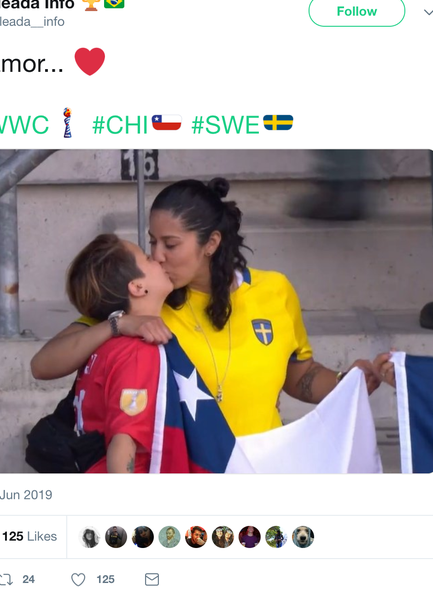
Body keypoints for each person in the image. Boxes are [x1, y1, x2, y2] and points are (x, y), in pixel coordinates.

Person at [32, 178, 386, 438]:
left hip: (262, 474)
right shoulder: (144, 303)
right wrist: (118, 325)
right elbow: (44, 364)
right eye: (153, 242)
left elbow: (298, 376)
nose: (157, 255)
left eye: (171, 244)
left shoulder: (274, 290)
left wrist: (345, 383)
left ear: (211, 243)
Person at [64, 234, 175, 473]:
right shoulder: (137, 352)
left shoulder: (102, 344)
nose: (157, 258)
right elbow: (124, 441)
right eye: (147, 258)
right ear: (137, 287)